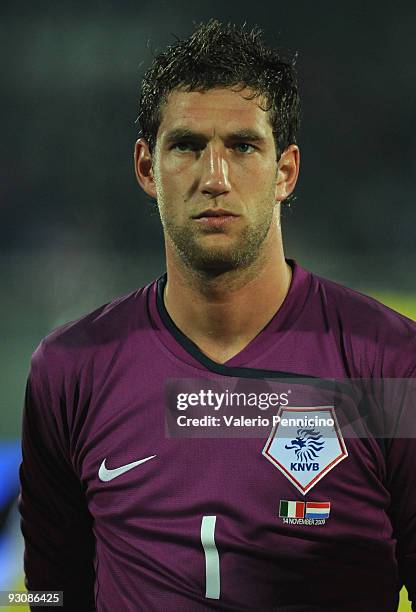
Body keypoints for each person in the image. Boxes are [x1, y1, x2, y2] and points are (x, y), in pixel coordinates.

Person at [19, 19, 415, 611]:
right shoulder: (69, 370)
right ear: (147, 169)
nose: (215, 177)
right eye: (185, 146)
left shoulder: (389, 363)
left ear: (285, 171)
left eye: (243, 146)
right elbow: (50, 592)